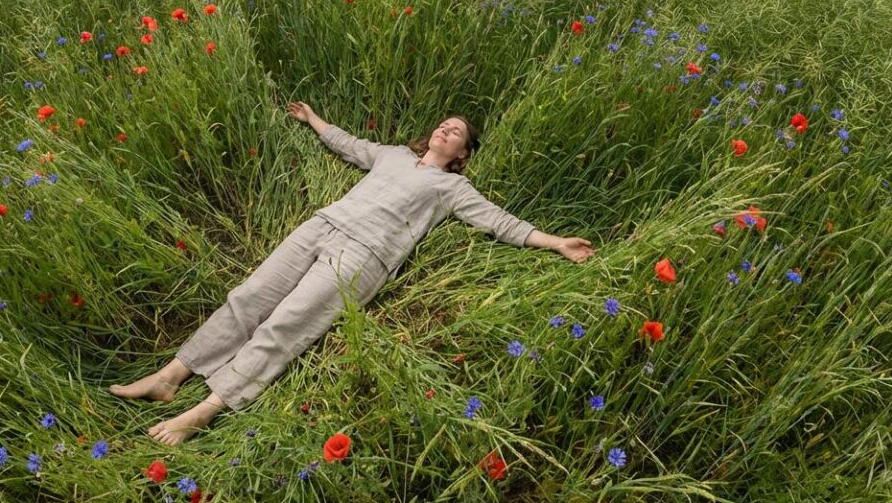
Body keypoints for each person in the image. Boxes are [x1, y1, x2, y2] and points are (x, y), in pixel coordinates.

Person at [109, 101, 596, 444]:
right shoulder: (393, 155)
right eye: (443, 125)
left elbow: (500, 221)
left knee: (287, 325)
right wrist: (311, 118)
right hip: (321, 226)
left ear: (463, 153)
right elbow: (347, 144)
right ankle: (171, 375)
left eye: (457, 132)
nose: (447, 130)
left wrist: (557, 243)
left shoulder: (454, 188)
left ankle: (204, 411)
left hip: (364, 256)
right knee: (249, 297)